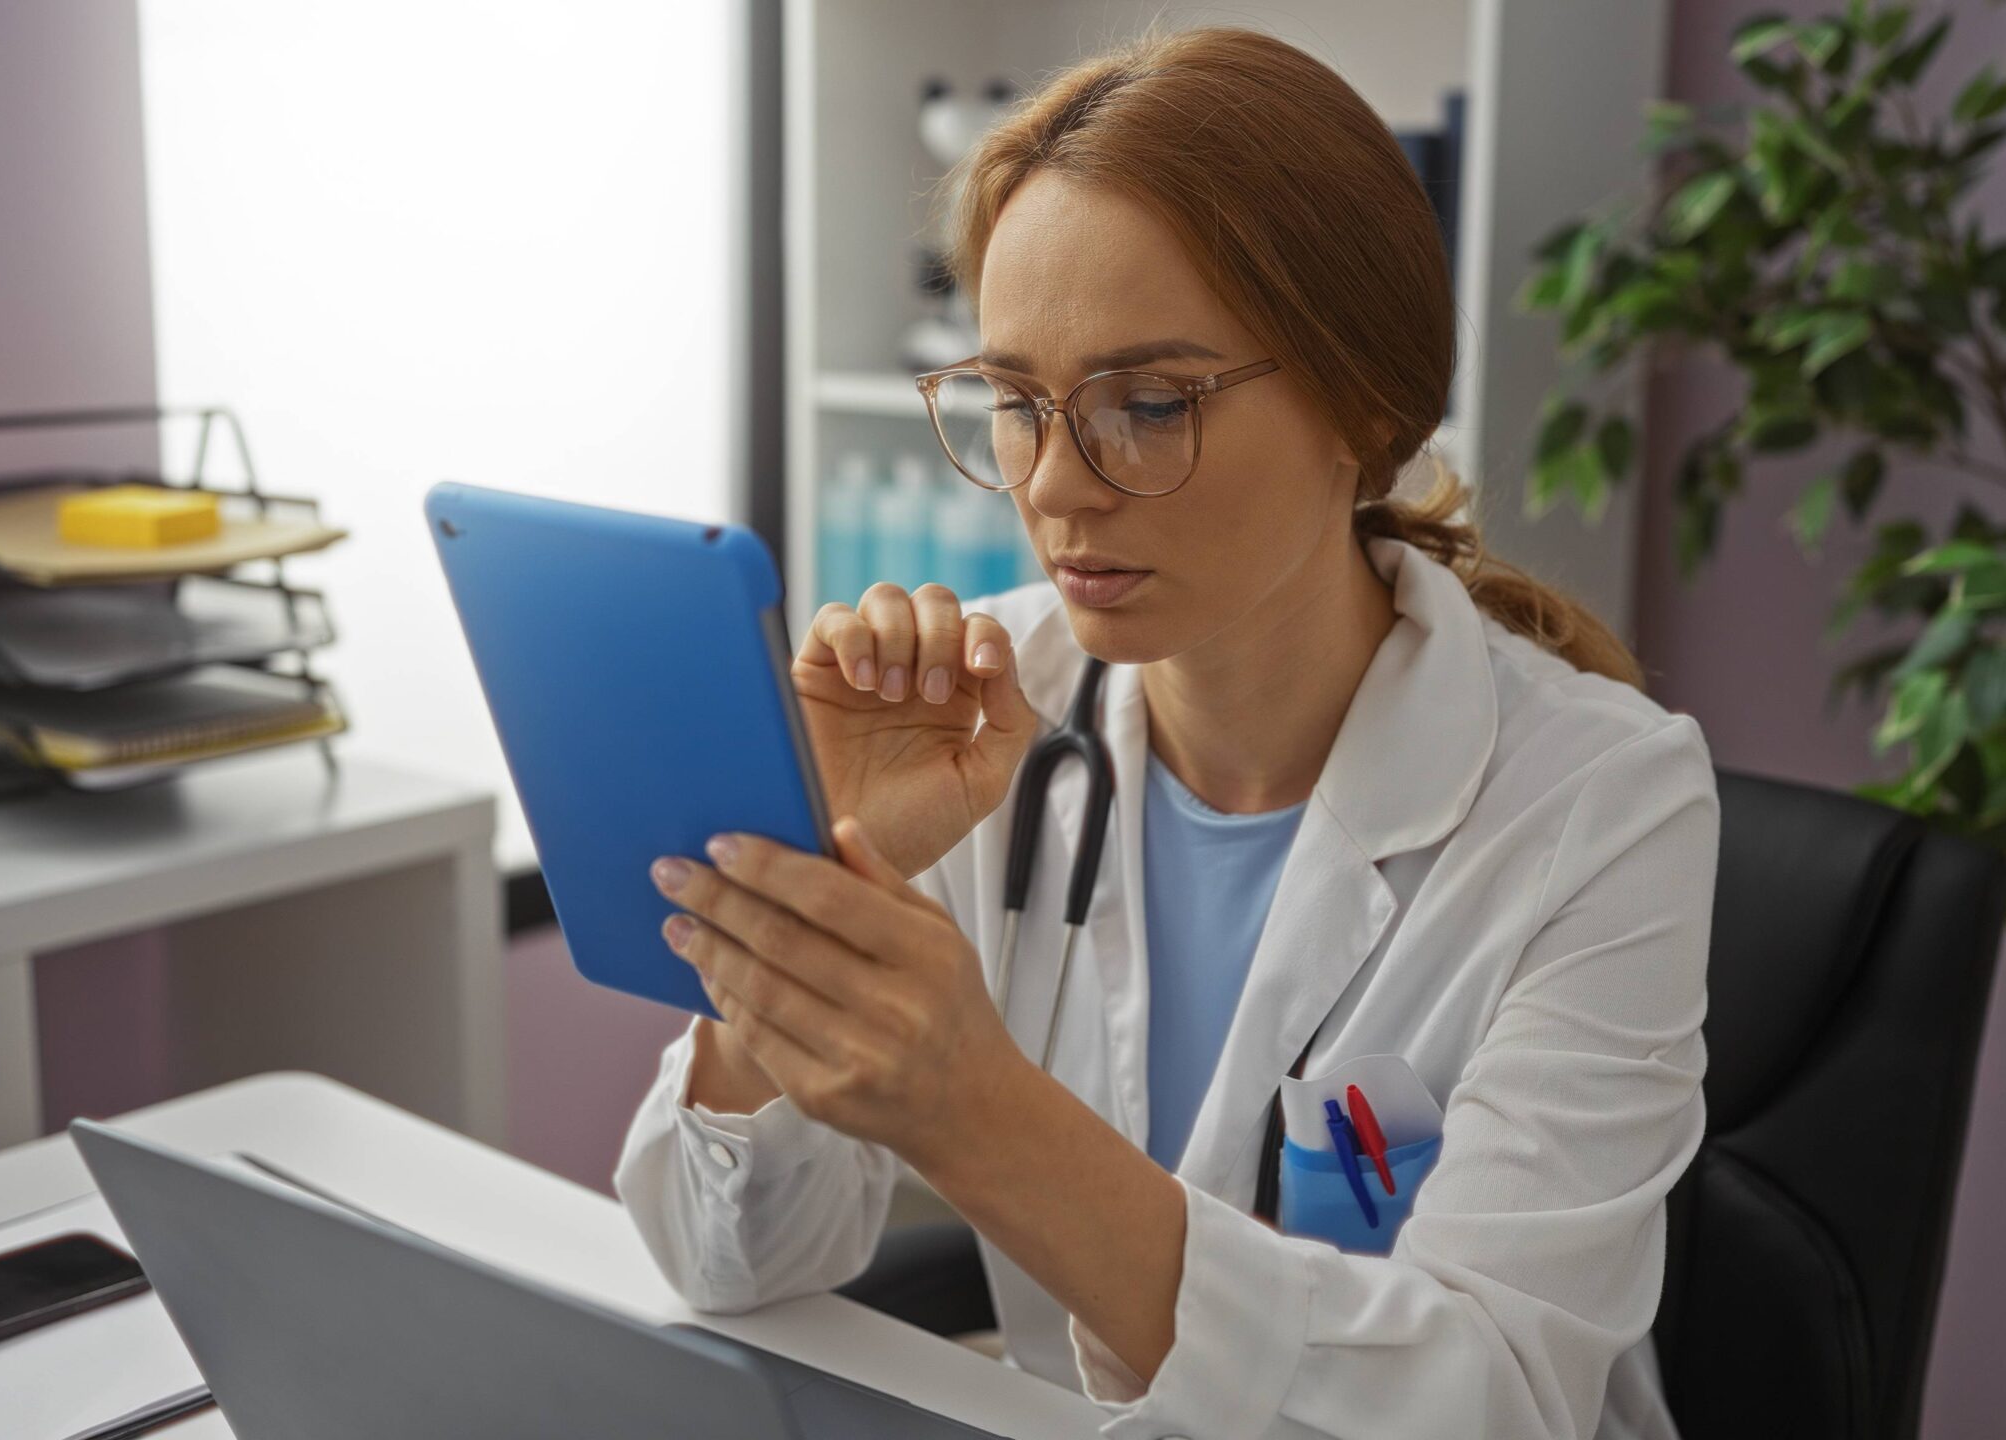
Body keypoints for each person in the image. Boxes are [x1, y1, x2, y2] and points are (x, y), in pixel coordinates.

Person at [616, 25, 1715, 1440]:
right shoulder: (966, 711)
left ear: (1365, 405)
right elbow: (721, 1259)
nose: (1059, 487)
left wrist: (978, 1115)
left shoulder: (1606, 802)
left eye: (1148, 404)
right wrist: (818, 876)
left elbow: (1490, 1399)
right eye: (1016, 403)